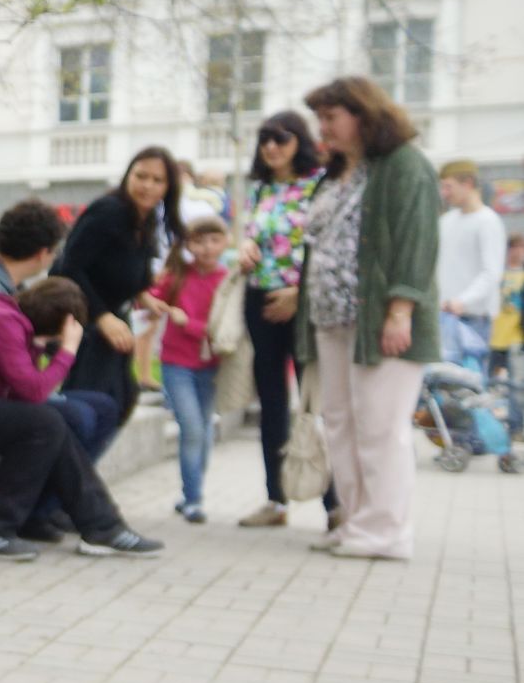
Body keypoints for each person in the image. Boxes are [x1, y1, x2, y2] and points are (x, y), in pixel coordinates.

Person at [0, 278, 164, 562]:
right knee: (44, 422)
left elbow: (25, 394)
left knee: (50, 421)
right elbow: (33, 391)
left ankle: (101, 526)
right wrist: (67, 351)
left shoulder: (7, 320)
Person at [297, 76, 440, 560]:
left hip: (380, 320)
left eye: (331, 117)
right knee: (340, 422)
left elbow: (416, 240)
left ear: (363, 114)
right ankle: (356, 520)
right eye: (320, 118)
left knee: (381, 426)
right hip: (332, 319)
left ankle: (388, 531)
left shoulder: (403, 165)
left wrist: (400, 309)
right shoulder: (336, 172)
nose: (324, 127)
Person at [0, 198, 121, 536]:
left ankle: (51, 507)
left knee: (100, 408)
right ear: (45, 253)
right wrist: (65, 351)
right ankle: (36, 513)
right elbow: (25, 385)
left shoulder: (2, 285)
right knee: (68, 418)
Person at [234, 111, 338, 529]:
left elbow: (330, 250)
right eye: (265, 140)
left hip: (303, 304)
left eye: (281, 139)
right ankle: (276, 501)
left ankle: (335, 504)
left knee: (316, 402)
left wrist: (301, 294)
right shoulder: (260, 190)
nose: (271, 148)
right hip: (260, 301)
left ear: (300, 141)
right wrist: (241, 248)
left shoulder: (320, 185)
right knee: (272, 404)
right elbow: (254, 237)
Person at [51, 147, 185, 426]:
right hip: (84, 320)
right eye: (141, 176)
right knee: (87, 406)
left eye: (157, 180)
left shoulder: (145, 218)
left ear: (168, 187)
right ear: (128, 176)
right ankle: (68, 466)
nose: (147, 186)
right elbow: (69, 267)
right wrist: (103, 319)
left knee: (121, 400)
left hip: (112, 318)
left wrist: (143, 296)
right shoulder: (109, 211)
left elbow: (119, 266)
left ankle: (78, 466)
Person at [147, 216, 232, 523]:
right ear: (188, 245)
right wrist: (153, 301)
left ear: (225, 242)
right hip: (176, 364)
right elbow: (151, 300)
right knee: (193, 428)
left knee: (204, 430)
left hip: (210, 365)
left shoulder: (228, 280)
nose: (207, 248)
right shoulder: (177, 276)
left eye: (214, 240)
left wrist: (190, 324)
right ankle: (194, 498)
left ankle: (190, 494)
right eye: (199, 241)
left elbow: (226, 328)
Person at [436, 159, 507, 346]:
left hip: (473, 318)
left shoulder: (488, 221)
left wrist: (462, 301)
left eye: (448, 186)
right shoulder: (446, 222)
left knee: (467, 375)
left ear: (467, 183)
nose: (444, 193)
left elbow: (492, 272)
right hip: (443, 314)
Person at [495, 235, 524, 436]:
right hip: (493, 334)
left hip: (516, 336)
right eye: (516, 248)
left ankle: (516, 426)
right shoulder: (497, 272)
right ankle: (487, 426)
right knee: (486, 383)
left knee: (516, 385)